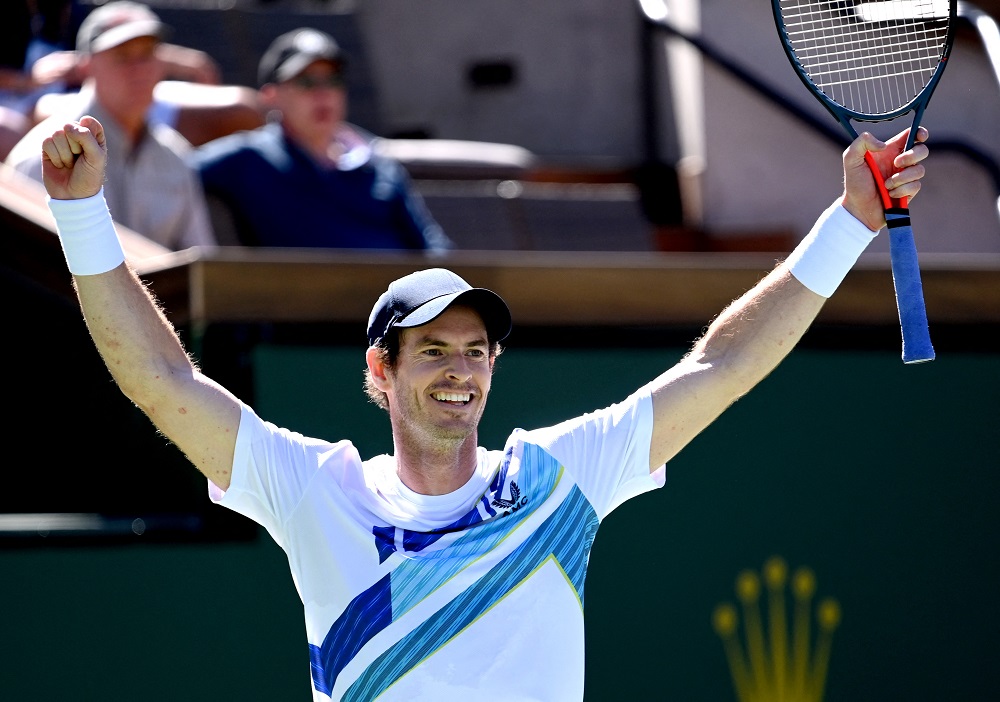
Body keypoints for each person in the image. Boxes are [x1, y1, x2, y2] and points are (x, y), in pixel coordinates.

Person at [40, 113, 928, 699]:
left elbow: (723, 364)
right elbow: (162, 380)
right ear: (379, 374)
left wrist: (849, 219)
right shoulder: (313, 487)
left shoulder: (559, 479)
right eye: (432, 351)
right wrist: (82, 215)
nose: (459, 371)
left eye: (475, 352)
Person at [189, 27, 452, 251]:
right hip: (309, 306)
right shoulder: (247, 159)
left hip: (399, 305)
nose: (323, 94)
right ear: (271, 96)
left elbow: (432, 247)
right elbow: (169, 171)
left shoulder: (378, 162)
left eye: (333, 80)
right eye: (306, 82)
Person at [6, 0, 215, 251]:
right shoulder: (46, 156)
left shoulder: (175, 155)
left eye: (147, 54)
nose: (139, 70)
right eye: (122, 56)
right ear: (86, 66)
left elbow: (200, 261)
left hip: (160, 291)